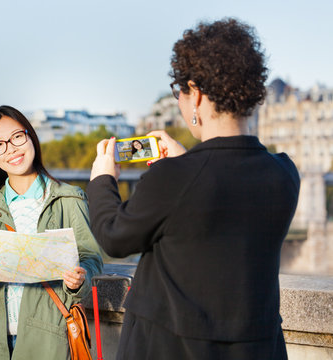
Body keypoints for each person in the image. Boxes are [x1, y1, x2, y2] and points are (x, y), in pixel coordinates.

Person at [86, 18, 299, 360]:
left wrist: (102, 180)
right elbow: (222, 198)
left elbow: (114, 236)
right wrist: (187, 162)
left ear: (196, 93)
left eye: (179, 93)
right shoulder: (284, 174)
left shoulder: (174, 178)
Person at [0, 105, 103, 360]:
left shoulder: (69, 199)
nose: (12, 149)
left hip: (49, 341)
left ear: (31, 137)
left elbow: (92, 258)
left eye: (17, 137)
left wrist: (80, 277)